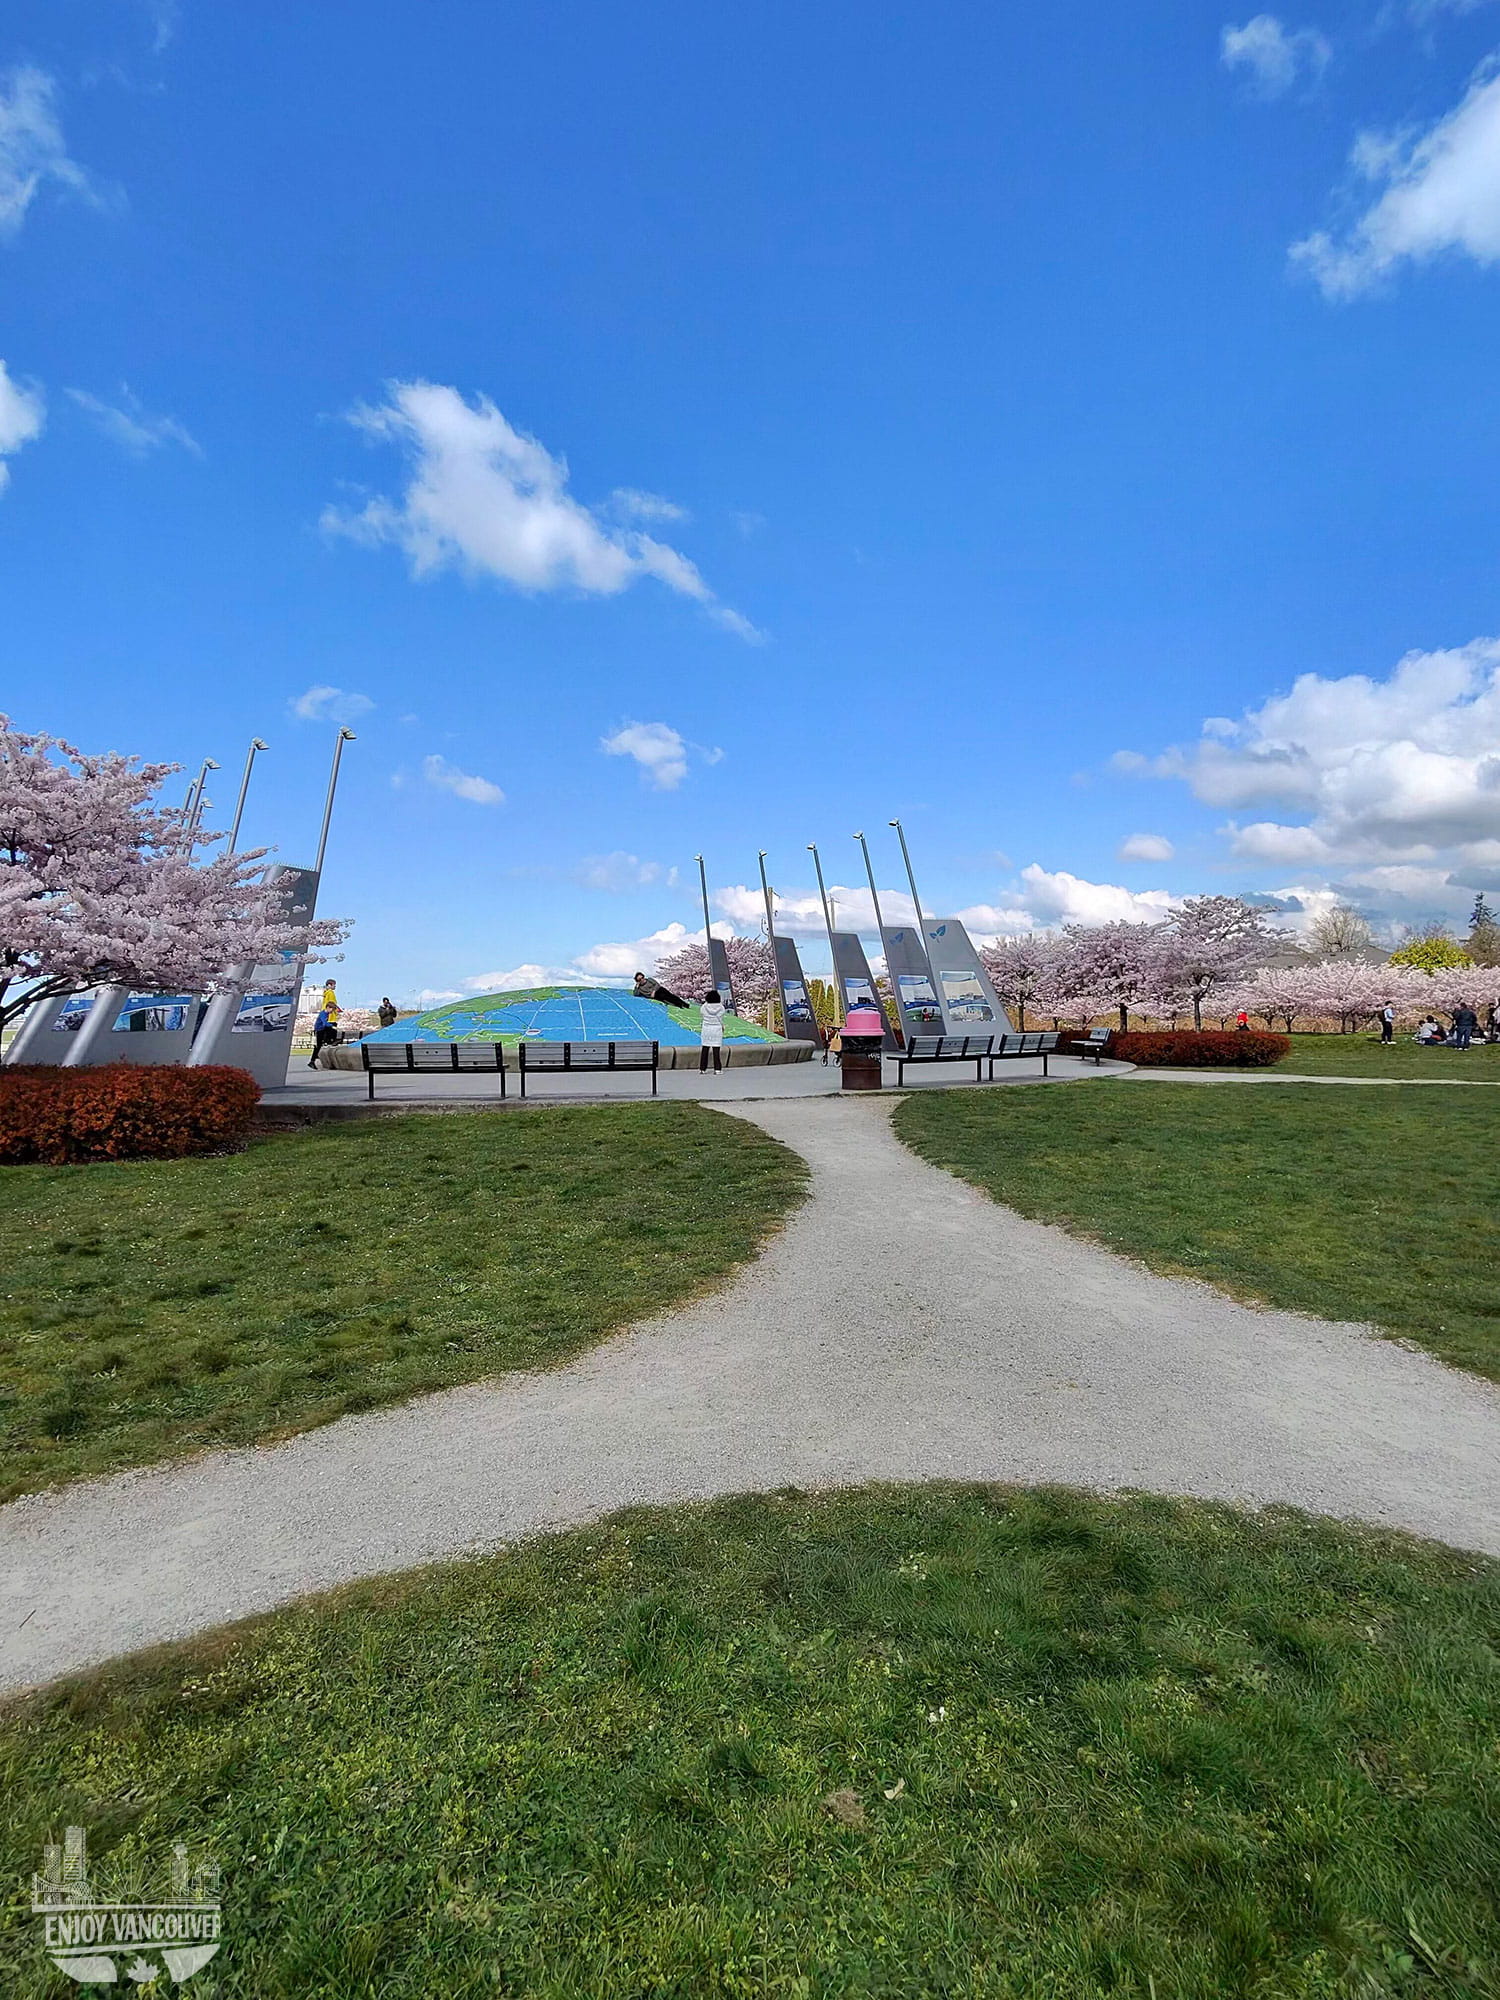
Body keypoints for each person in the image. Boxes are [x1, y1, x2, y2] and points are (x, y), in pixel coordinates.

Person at [698, 988, 725, 1073]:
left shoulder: (704, 1007)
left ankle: (702, 1069)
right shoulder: (721, 1008)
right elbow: (721, 1017)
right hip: (717, 1030)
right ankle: (717, 1069)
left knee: (705, 1049)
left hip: (706, 1029)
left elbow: (702, 1015)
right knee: (716, 1050)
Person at [309, 1002, 340, 1068]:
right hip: (319, 1030)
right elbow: (325, 1023)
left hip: (322, 1029)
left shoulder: (327, 1014)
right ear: (328, 1007)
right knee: (318, 1046)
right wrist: (332, 1026)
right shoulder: (323, 1014)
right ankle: (312, 1061)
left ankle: (329, 1041)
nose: (332, 1011)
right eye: (332, 1009)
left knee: (332, 1026)